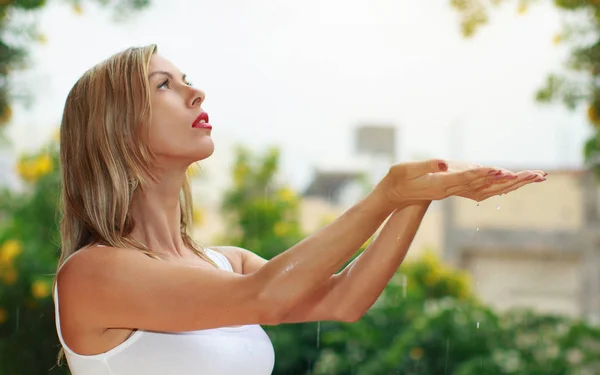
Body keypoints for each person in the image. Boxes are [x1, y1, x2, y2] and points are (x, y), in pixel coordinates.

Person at [52, 44, 546, 375]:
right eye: (164, 85)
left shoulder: (227, 263)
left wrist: (418, 194)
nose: (195, 93)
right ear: (115, 128)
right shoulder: (92, 275)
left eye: (187, 80)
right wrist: (385, 196)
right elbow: (265, 297)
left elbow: (344, 301)